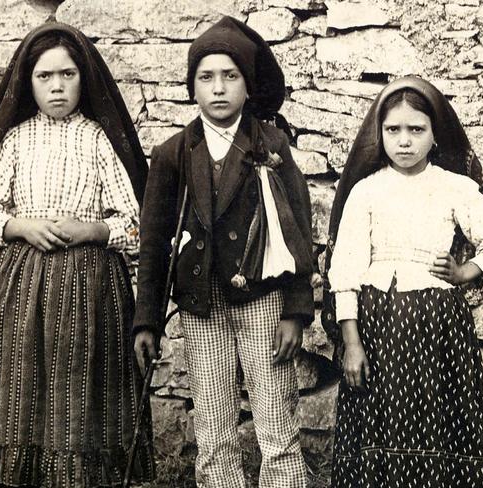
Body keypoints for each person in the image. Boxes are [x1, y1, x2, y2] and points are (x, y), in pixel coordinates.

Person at [0, 22, 154, 487]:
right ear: (28, 82)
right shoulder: (17, 140)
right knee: (20, 380)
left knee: (80, 382)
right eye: (45, 77)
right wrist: (21, 225)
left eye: (67, 75)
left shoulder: (99, 140)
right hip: (21, 285)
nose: (57, 87)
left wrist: (91, 229)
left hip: (90, 283)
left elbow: (135, 220)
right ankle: (20, 473)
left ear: (84, 78)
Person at [133, 16, 315, 488]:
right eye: (206, 77)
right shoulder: (174, 152)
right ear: (192, 85)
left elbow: (297, 230)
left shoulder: (270, 145)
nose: (218, 89)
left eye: (230, 76)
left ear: (247, 85)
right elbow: (153, 243)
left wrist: (295, 311)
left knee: (276, 423)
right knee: (213, 429)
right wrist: (147, 320)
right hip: (200, 305)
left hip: (262, 302)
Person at [325, 76, 483, 487]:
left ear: (435, 136)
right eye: (393, 130)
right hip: (379, 333)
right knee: (384, 419)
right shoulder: (366, 191)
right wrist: (352, 342)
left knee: (439, 417)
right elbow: (345, 270)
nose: (404, 141)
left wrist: (467, 271)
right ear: (379, 135)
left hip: (440, 331)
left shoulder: (455, 187)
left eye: (417, 129)